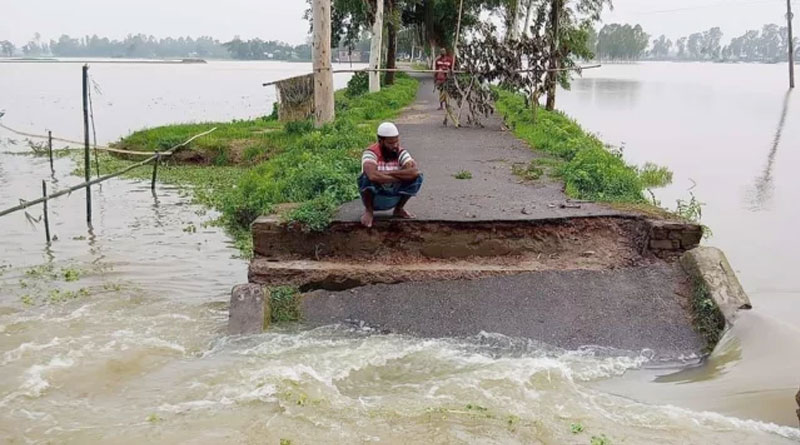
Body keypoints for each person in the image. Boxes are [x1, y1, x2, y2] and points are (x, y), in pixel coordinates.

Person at [358, 122, 423, 228]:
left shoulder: (401, 152)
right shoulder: (371, 153)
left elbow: (414, 172)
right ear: (380, 142)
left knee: (418, 177)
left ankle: (399, 209)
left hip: (394, 193)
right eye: (391, 143)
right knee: (365, 177)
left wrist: (388, 173)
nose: (395, 146)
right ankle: (369, 212)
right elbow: (373, 176)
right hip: (376, 195)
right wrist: (400, 177)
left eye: (396, 142)